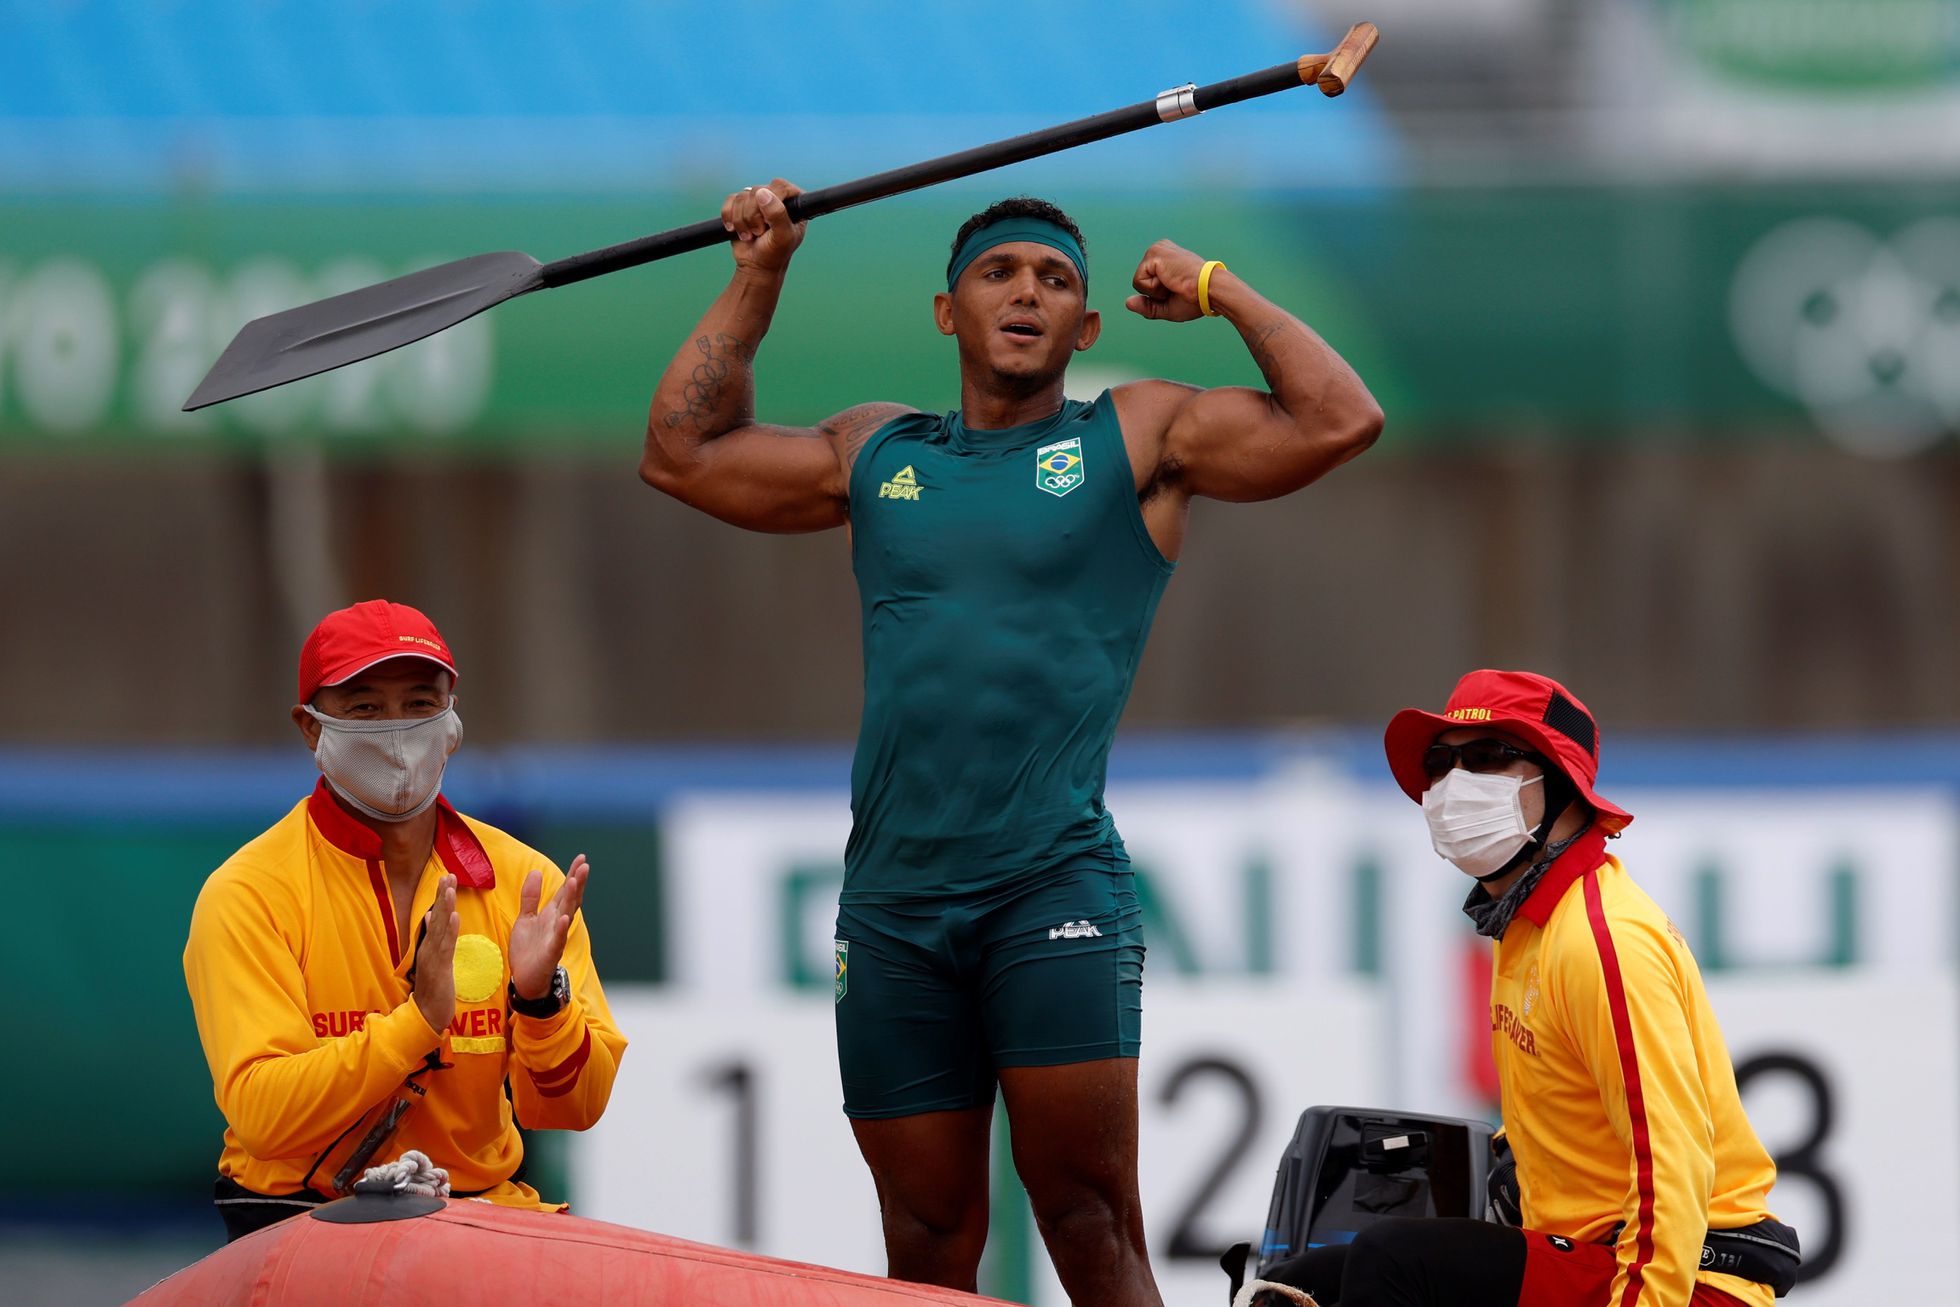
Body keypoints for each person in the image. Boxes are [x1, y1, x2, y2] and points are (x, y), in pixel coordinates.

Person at [640, 181, 1382, 1304]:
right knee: (926, 1245)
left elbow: (1340, 417)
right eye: (999, 273)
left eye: (1054, 280)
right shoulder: (875, 450)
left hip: (1049, 887)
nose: (1026, 291)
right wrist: (760, 268)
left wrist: (1220, 289)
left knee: (1089, 1223)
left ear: (1086, 329)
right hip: (891, 910)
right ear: (948, 312)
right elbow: (683, 453)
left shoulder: (1134, 436)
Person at [1257, 669, 1792, 1307]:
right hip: (1603, 1256)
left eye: (1488, 757)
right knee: (1302, 1281)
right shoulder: (1529, 926)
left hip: (1686, 1284)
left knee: (1392, 1259)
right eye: (1440, 762)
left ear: (1561, 781)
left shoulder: (1601, 939)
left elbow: (1671, 1161)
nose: (1454, 784)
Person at [183, 600, 626, 1241]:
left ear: (452, 720)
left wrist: (538, 1003)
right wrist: (416, 1025)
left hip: (480, 1218)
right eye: (365, 707)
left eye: (420, 704)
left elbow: (573, 1109)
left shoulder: (526, 884)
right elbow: (263, 1116)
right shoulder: (250, 893)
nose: (397, 730)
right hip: (297, 1221)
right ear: (310, 728)